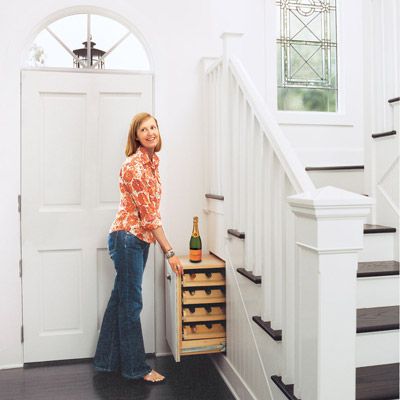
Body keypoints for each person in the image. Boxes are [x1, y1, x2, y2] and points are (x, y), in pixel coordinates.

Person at [94, 112, 183, 383]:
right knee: (132, 303)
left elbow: (150, 213)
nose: (150, 132)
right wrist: (170, 252)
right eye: (143, 129)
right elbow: (149, 216)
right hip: (127, 238)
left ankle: (106, 361)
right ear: (136, 136)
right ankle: (136, 368)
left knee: (120, 300)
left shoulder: (152, 163)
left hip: (138, 239)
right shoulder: (134, 166)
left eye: (153, 127)